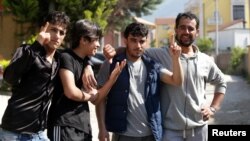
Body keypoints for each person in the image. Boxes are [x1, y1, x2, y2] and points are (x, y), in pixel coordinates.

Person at [104, 12, 227, 141]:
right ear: (176, 30)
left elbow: (221, 82)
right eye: (182, 27)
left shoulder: (205, 60)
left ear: (197, 32)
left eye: (190, 28)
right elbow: (134, 48)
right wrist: (114, 50)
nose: (186, 31)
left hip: (198, 130)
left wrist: (213, 108)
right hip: (169, 131)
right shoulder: (158, 54)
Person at [96, 22, 183, 141]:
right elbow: (100, 99)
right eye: (133, 40)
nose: (138, 45)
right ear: (125, 40)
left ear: (146, 41)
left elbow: (176, 81)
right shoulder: (111, 64)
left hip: (151, 134)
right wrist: (102, 129)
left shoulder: (152, 66)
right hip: (123, 135)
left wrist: (175, 59)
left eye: (142, 41)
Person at [47, 19, 126, 141]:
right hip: (64, 125)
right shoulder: (65, 57)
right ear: (83, 40)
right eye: (96, 40)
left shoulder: (86, 64)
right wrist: (90, 96)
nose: (99, 45)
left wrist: (112, 79)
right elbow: (71, 92)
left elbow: (97, 99)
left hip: (83, 128)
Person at [0, 11, 70, 140]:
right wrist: (37, 44)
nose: (57, 36)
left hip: (39, 133)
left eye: (62, 32)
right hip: (14, 132)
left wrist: (87, 64)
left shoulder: (59, 59)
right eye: (53, 30)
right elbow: (10, 77)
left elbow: (77, 57)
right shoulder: (27, 50)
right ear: (43, 29)